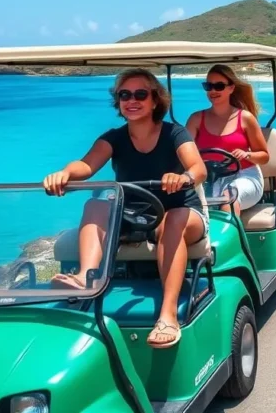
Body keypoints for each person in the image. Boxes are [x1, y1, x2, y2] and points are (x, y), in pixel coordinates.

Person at [42, 68, 208, 349]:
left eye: (140, 94)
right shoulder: (114, 138)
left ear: (155, 100)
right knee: (95, 204)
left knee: (174, 219)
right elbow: (86, 164)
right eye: (124, 95)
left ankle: (168, 315)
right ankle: (85, 278)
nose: (132, 100)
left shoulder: (174, 134)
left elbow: (198, 168)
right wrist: (65, 173)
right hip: (135, 217)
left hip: (181, 213)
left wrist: (183, 178)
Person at [185, 64, 270, 217]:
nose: (213, 91)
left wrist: (247, 155)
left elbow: (264, 156)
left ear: (231, 88)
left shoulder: (245, 118)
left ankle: (232, 240)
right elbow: (184, 152)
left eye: (219, 86)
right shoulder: (196, 119)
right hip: (209, 178)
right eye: (208, 86)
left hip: (244, 176)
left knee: (228, 197)